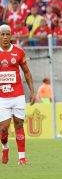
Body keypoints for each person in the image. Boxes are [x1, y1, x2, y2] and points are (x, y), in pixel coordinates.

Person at [0, 24, 35, 165]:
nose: (5, 37)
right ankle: (5, 147)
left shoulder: (19, 52)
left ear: (11, 36)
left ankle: (22, 158)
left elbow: (26, 72)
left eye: (7, 34)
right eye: (2, 34)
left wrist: (32, 92)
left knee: (19, 124)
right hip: (2, 97)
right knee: (3, 128)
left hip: (18, 94)